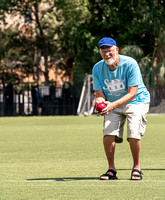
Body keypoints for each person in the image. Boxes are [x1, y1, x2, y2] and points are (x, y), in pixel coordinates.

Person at [92, 37, 150, 180]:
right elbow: (99, 95)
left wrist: (111, 105)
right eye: (103, 51)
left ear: (116, 50)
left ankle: (136, 168)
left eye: (110, 51)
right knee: (108, 133)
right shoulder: (97, 68)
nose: (107, 54)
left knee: (133, 131)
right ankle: (111, 170)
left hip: (137, 101)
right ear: (100, 53)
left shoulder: (130, 64)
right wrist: (100, 105)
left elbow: (132, 93)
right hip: (113, 103)